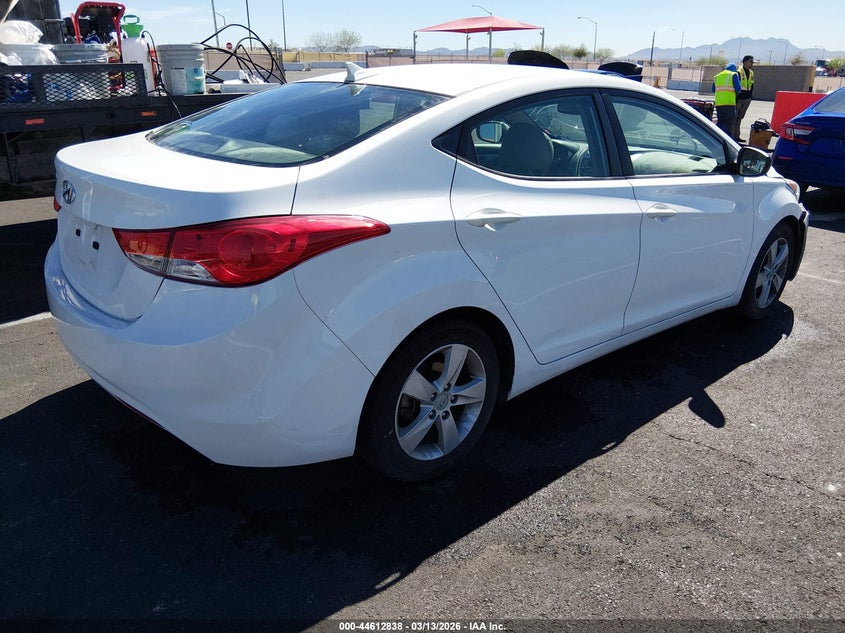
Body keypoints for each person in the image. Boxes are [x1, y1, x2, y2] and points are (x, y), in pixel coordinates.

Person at [711, 63, 742, 138]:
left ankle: (718, 139)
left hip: (719, 103)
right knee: (728, 124)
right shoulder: (733, 75)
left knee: (720, 123)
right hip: (729, 103)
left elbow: (713, 89)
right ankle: (726, 140)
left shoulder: (717, 76)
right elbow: (738, 89)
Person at [733, 55, 755, 142]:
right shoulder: (738, 72)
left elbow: (752, 85)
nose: (752, 63)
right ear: (745, 62)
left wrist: (750, 97)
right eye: (751, 61)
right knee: (735, 118)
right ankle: (734, 136)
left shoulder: (751, 73)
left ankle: (736, 135)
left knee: (740, 117)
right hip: (740, 98)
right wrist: (736, 98)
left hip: (747, 98)